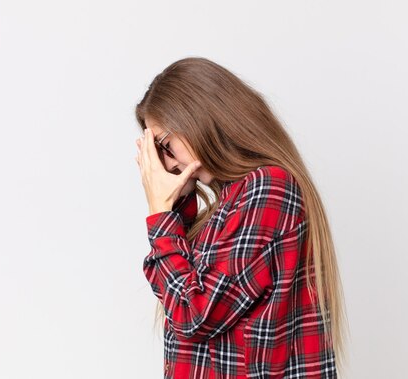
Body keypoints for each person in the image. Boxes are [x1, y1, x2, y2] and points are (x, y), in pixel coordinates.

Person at [134, 57, 349, 378]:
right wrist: (177, 206)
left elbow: (193, 315)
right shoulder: (230, 204)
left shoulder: (267, 189)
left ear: (198, 121)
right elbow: (182, 295)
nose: (165, 164)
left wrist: (161, 215)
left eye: (164, 146)